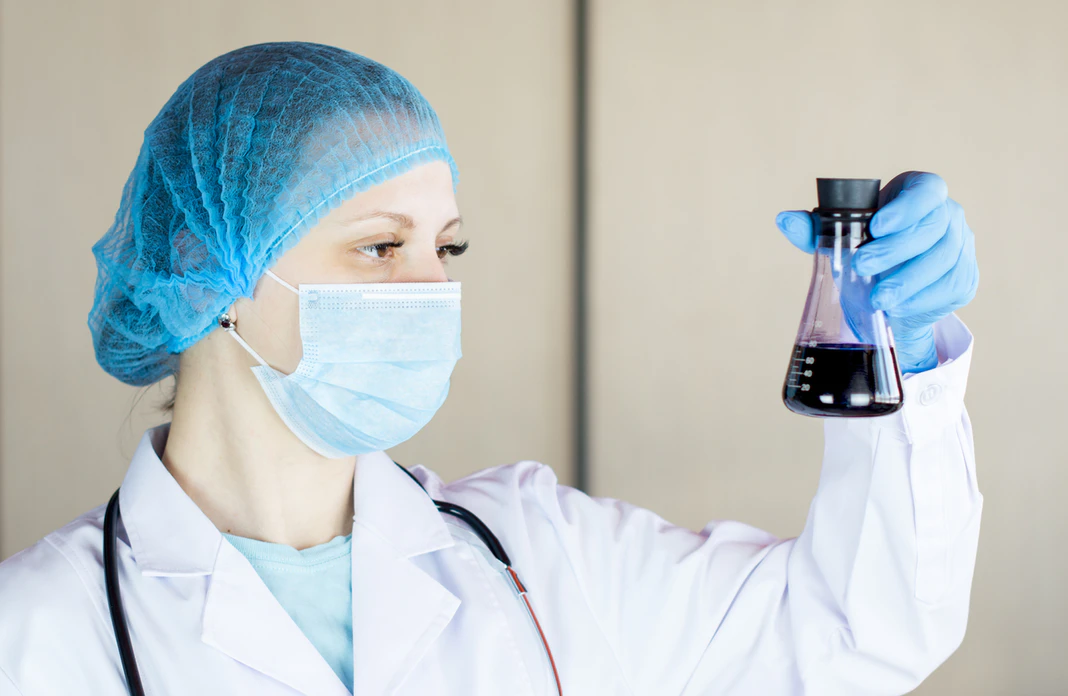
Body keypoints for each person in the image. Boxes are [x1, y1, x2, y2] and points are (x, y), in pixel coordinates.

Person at [0, 41, 981, 696]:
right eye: (381, 248)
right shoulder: (39, 634)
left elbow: (856, 633)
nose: (430, 289)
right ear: (200, 266)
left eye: (448, 250)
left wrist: (900, 346)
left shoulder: (539, 559)